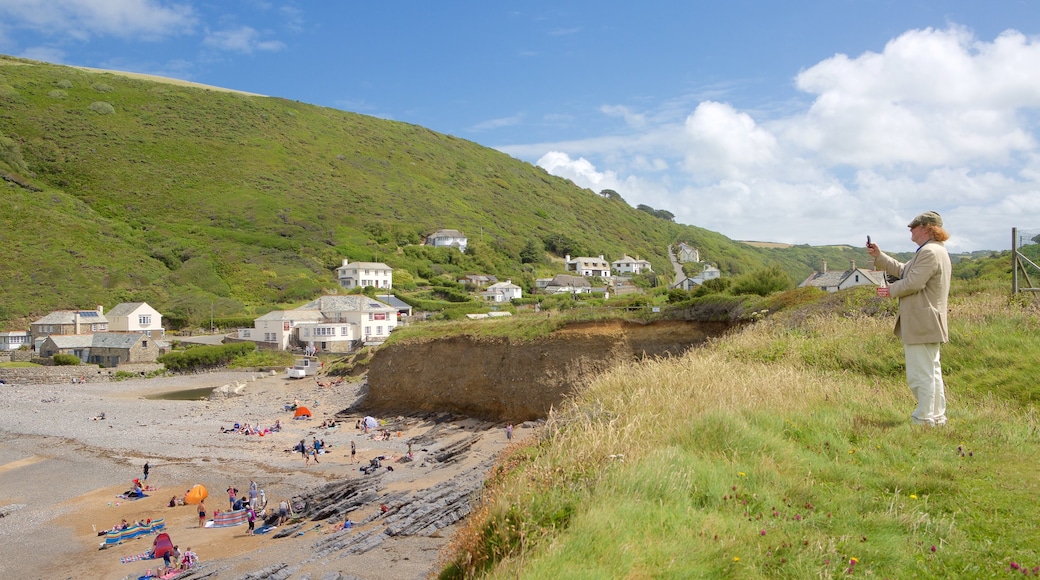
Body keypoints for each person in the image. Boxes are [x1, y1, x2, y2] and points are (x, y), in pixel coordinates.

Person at [867, 211, 952, 427]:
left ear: (925, 228)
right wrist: (880, 256)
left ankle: (924, 418)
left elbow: (913, 282)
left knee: (920, 373)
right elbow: (904, 271)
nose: (910, 230)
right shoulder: (931, 251)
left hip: (922, 321)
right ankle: (936, 416)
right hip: (928, 321)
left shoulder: (930, 252)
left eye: (913, 226)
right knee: (931, 371)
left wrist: (889, 290)